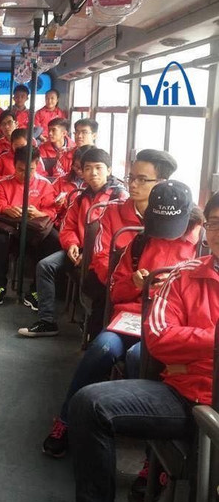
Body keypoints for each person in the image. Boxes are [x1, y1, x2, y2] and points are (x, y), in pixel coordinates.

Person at [58, 188, 219, 502]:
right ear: (206, 226)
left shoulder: (188, 252)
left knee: (135, 358)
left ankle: (154, 463)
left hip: (196, 380)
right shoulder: (181, 271)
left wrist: (194, 352)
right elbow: (159, 337)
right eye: (217, 222)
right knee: (92, 394)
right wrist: (134, 282)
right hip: (184, 391)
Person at [42, 180, 202, 460]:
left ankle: (149, 449)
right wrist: (135, 283)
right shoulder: (139, 244)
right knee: (102, 348)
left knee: (139, 356)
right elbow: (115, 292)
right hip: (131, 317)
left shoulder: (200, 252)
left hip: (168, 327)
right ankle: (67, 419)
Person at [18, 148, 126, 336]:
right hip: (79, 251)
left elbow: (119, 238)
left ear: (109, 170)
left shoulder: (120, 199)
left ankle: (94, 325)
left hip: (104, 256)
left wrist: (89, 254)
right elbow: (68, 227)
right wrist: (72, 245)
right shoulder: (81, 198)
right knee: (45, 266)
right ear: (82, 172)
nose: (93, 173)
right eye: (88, 168)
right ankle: (47, 320)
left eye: (98, 168)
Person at [90, 149, 178, 287]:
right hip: (116, 283)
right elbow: (101, 256)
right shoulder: (112, 211)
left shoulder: (174, 221)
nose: (132, 184)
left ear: (161, 183)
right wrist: (119, 283)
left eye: (142, 179)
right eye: (131, 178)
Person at [0, 145, 59, 305]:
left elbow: (52, 211)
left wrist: (39, 213)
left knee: (54, 240)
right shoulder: (3, 184)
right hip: (12, 229)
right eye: (20, 170)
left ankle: (35, 290)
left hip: (35, 230)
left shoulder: (45, 185)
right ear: (14, 165)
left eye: (31, 170)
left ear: (37, 165)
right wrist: (6, 209)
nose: (25, 174)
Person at [50, 145, 91, 229]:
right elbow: (51, 210)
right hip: (65, 224)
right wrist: (58, 205)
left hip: (88, 226)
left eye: (83, 168)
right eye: (76, 167)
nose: (79, 171)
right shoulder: (61, 181)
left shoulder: (96, 185)